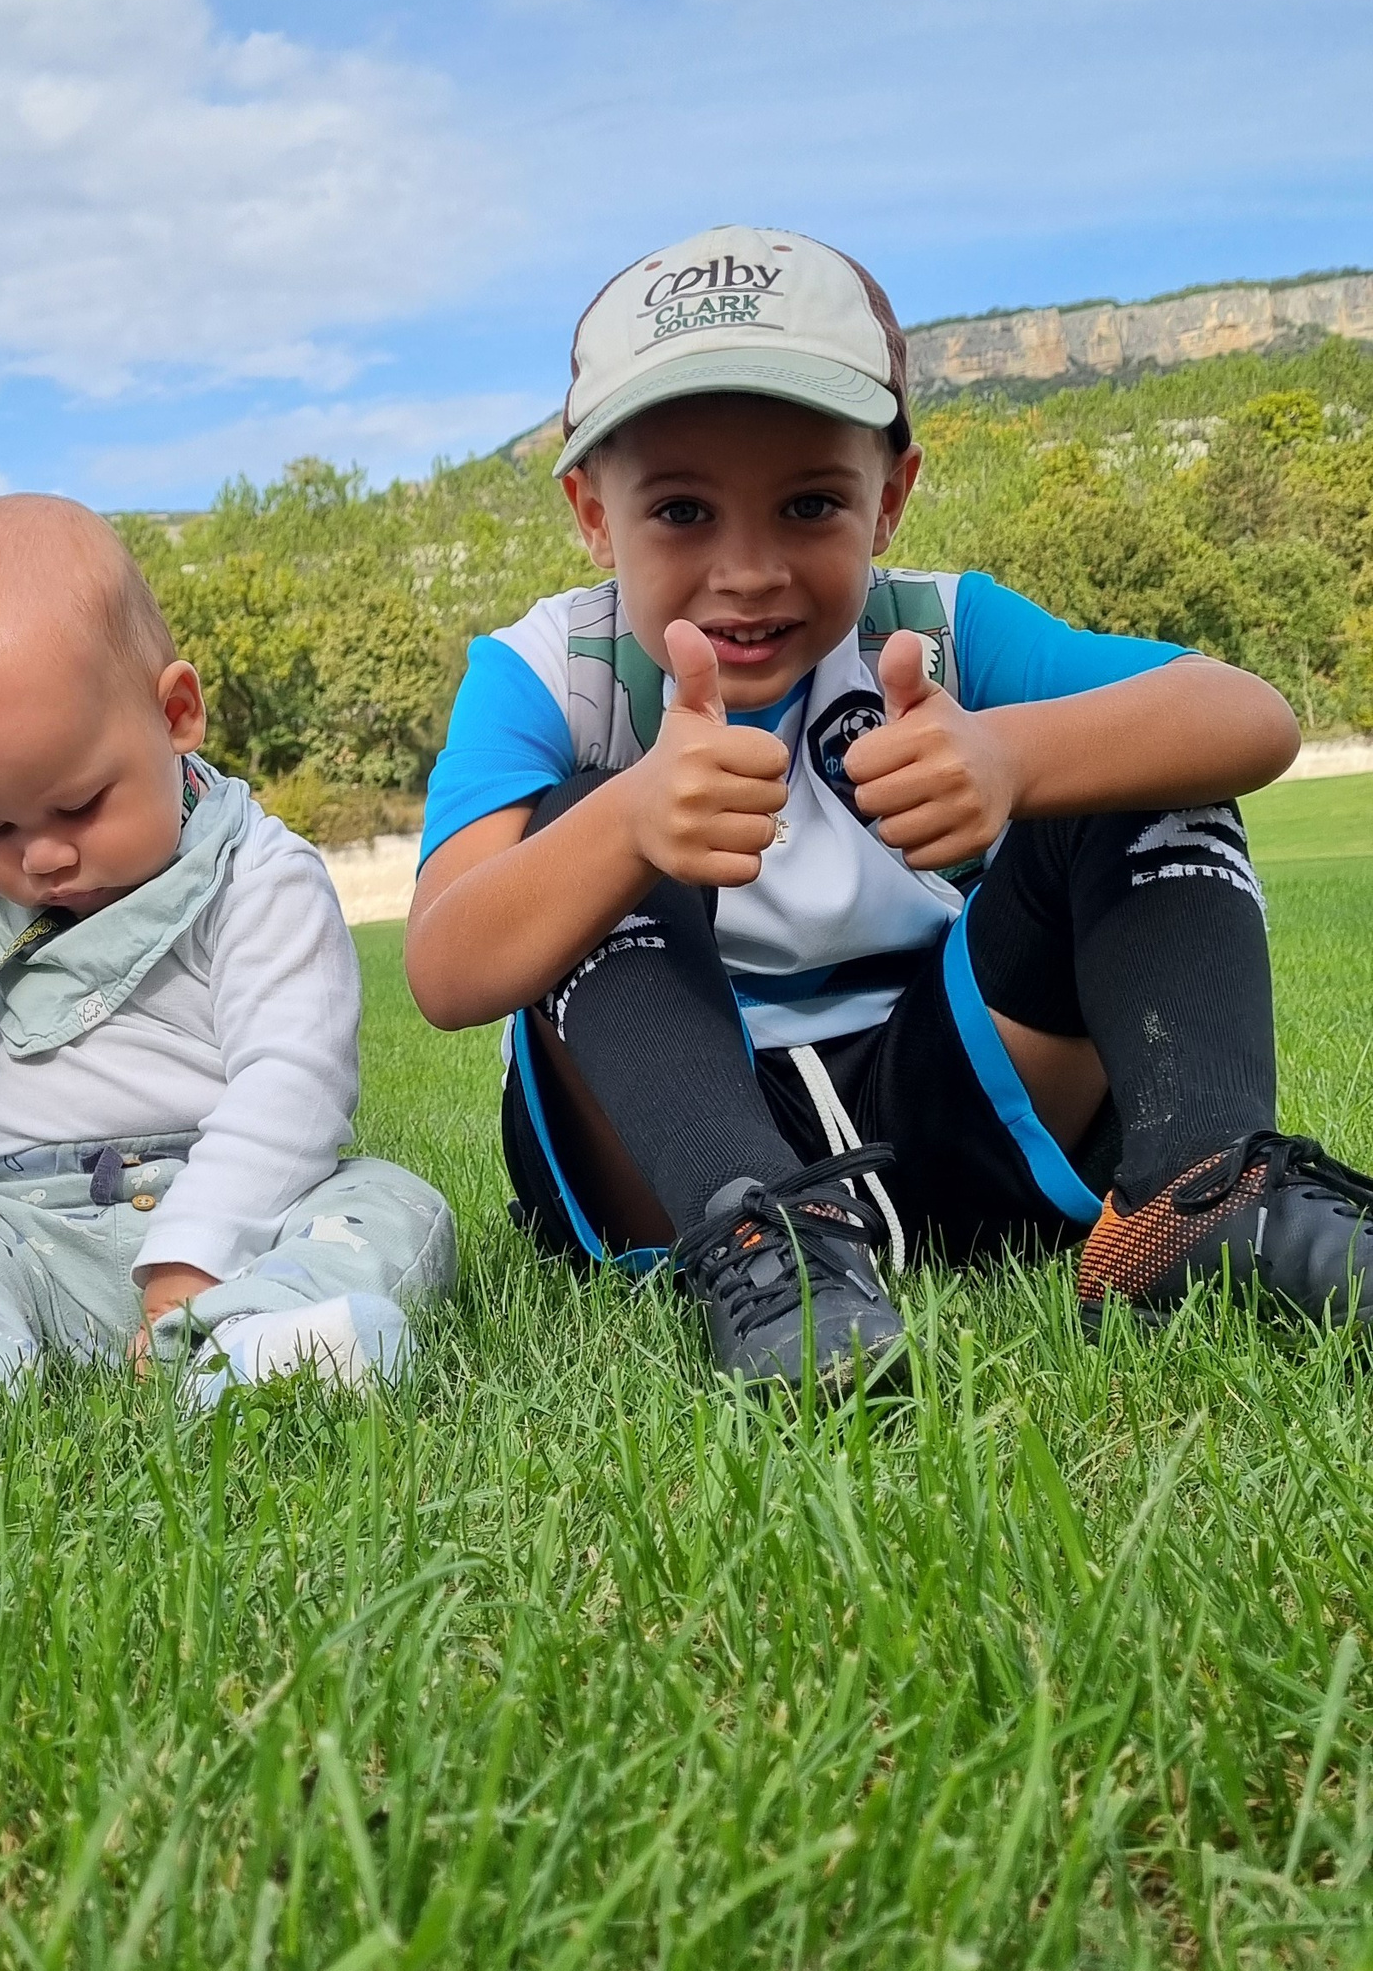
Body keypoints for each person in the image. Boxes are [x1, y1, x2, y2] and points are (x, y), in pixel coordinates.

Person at [405, 222, 1373, 1390]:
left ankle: (1198, 1195)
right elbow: (446, 970)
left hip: (940, 1098)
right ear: (592, 513)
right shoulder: (548, 671)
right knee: (577, 817)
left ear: (892, 495)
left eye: (810, 505)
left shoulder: (942, 628)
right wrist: (628, 822)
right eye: (680, 512)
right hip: (676, 1149)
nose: (749, 568)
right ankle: (764, 1239)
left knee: (1145, 761)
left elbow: (1245, 718)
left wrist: (1013, 758)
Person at [0, 495, 455, 1430]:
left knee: (389, 1204)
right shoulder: (6, 893)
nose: (40, 858)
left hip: (229, 1204)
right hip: (19, 1220)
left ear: (176, 714)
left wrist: (193, 1251)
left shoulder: (257, 876)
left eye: (78, 807)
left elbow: (293, 1082)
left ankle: (257, 1344)